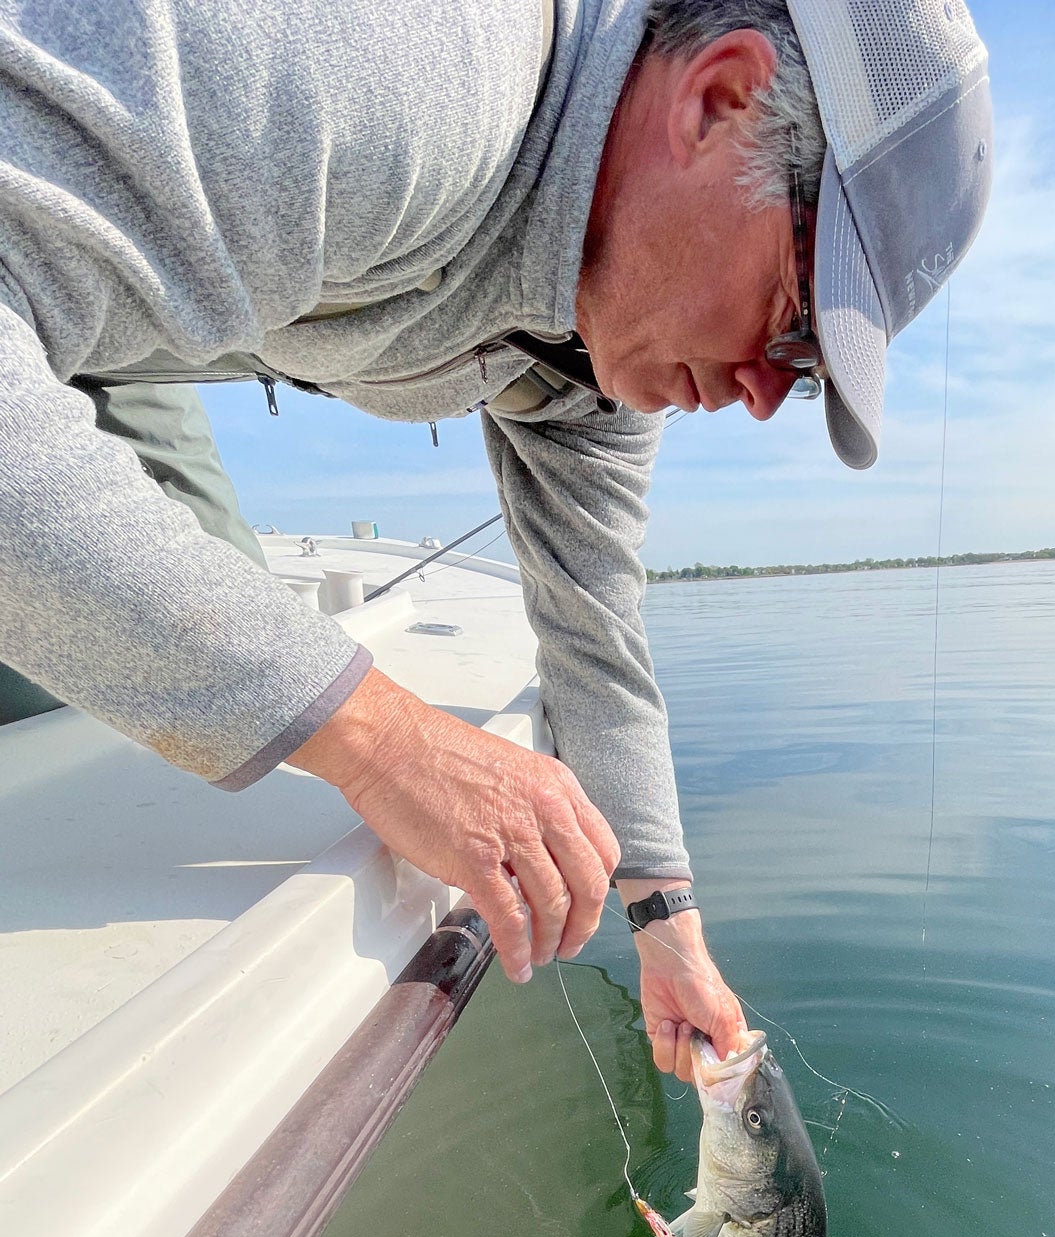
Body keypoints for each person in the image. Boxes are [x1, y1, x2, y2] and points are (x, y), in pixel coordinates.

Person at [0, 0, 992, 1080]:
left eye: (802, 376)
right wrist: (385, 739)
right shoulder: (402, 62)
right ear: (720, 100)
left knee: (135, 676)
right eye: (795, 319)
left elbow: (595, 641)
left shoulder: (602, 355)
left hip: (112, 311)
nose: (763, 393)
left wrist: (668, 926)